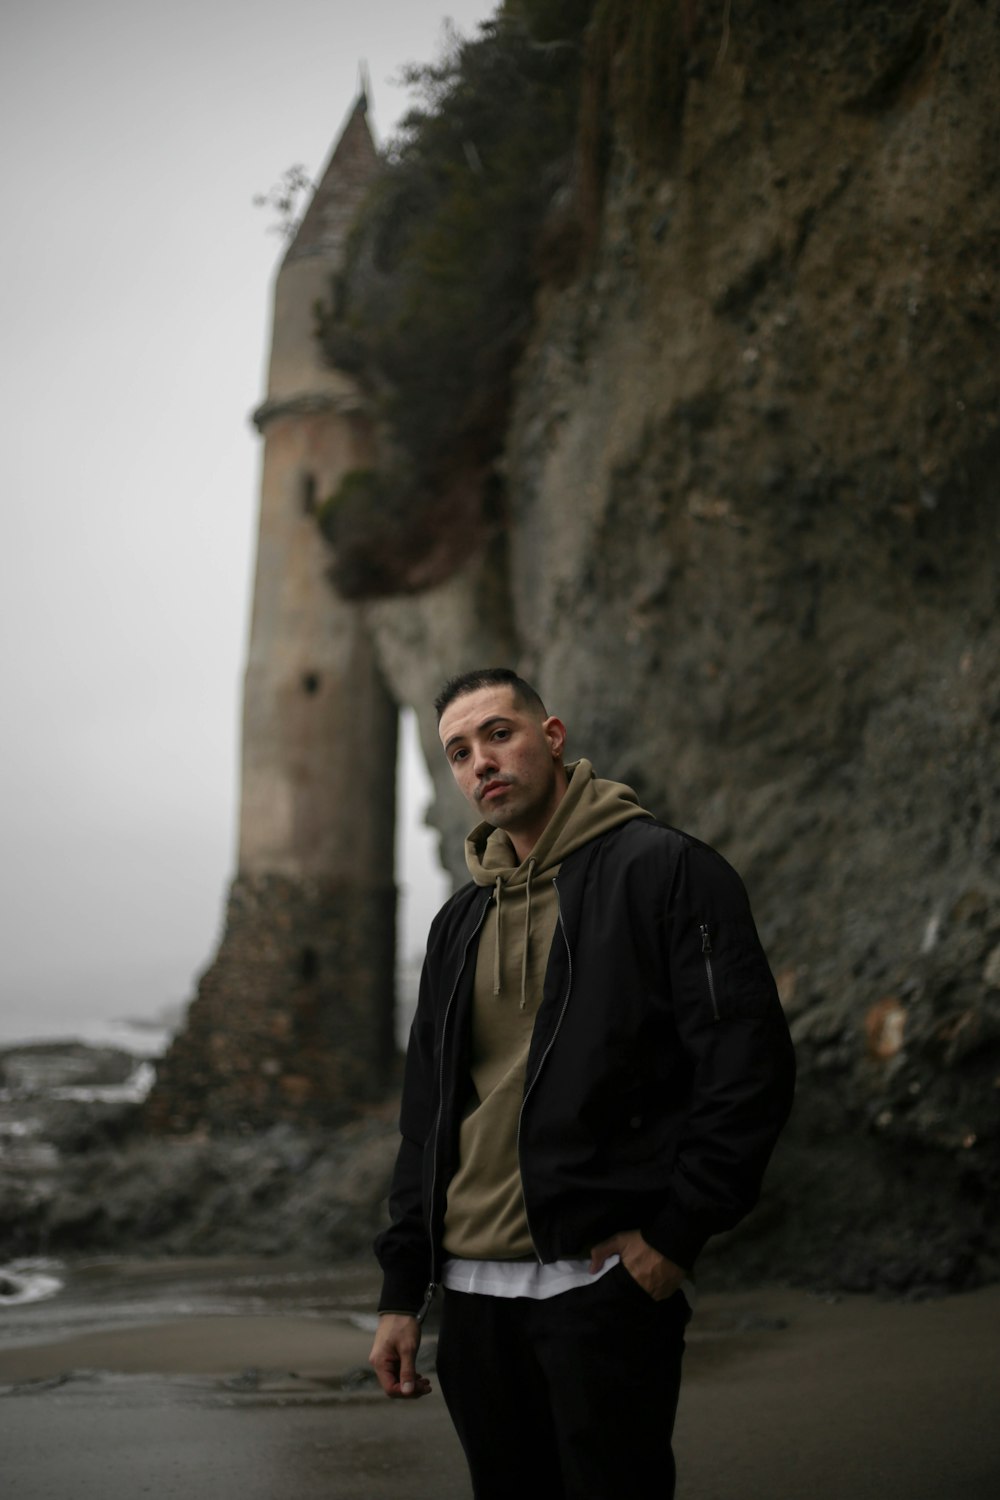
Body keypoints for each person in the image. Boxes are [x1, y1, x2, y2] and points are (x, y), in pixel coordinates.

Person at [369, 668, 795, 1499]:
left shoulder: (667, 872)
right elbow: (427, 1121)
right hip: (471, 1300)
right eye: (459, 752)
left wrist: (675, 1234)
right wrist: (401, 1292)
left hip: (601, 1289)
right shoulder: (459, 923)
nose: (481, 763)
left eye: (499, 734)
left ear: (552, 737)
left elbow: (748, 1067)